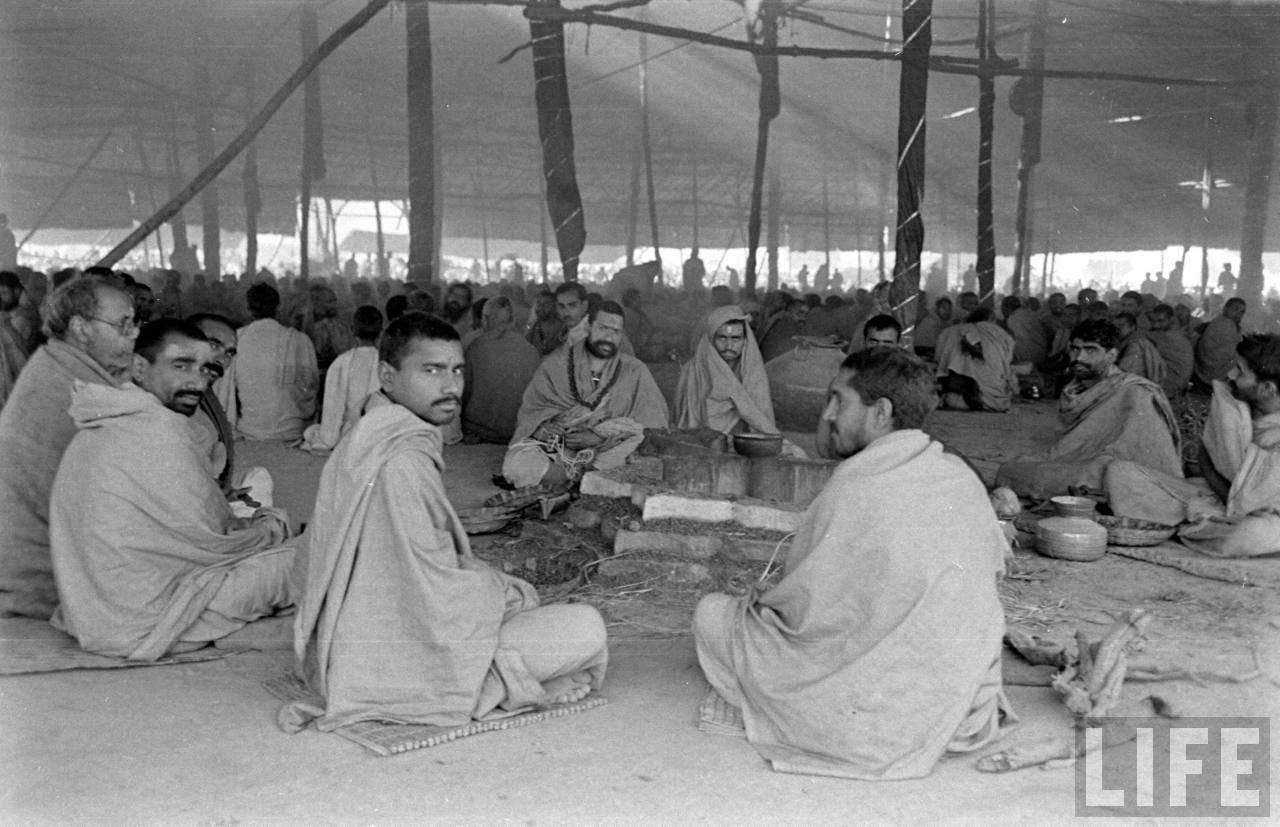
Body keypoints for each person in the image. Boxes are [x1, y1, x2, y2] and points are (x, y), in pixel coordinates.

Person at [693, 347, 1012, 780]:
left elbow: (804, 614)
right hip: (953, 691)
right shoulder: (960, 475)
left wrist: (758, 603)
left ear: (881, 412)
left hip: (876, 703)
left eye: (839, 400)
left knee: (712, 613)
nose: (827, 414)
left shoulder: (856, 483)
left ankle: (808, 716)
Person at [282, 313, 607, 733]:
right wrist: (502, 591)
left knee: (518, 604)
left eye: (456, 370)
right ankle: (496, 686)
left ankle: (502, 675)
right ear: (387, 375)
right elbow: (432, 595)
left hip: (350, 645)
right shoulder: (402, 459)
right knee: (585, 627)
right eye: (431, 370)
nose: (451, 385)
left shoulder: (369, 436)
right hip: (399, 657)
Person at [49, 320, 295, 660]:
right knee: (302, 556)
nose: (198, 381)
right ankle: (231, 630)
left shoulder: (103, 418)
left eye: (205, 369)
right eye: (181, 366)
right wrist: (269, 527)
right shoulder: (162, 431)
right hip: (150, 623)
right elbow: (215, 541)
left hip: (94, 616)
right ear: (139, 367)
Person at [0, 272, 137, 618]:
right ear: (81, 328)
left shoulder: (56, 366)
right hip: (46, 585)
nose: (134, 335)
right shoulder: (78, 392)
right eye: (123, 325)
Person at [1106, 334, 1280, 557]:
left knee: (1252, 534)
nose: (1230, 375)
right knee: (1119, 473)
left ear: (1267, 389)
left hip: (1260, 514)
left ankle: (1178, 525)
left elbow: (1244, 502)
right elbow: (1212, 459)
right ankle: (1193, 525)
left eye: (1240, 371)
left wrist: (1208, 467)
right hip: (1213, 496)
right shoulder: (1234, 405)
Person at [996, 319, 1181, 498]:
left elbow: (1135, 453)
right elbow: (1070, 447)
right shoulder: (1074, 389)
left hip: (1115, 471)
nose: (1079, 358)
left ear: (1112, 355)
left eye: (1091, 350)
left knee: (1034, 477)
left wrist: (1095, 463)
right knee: (1010, 470)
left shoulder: (1135, 391)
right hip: (1080, 463)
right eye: (1075, 349)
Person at [503, 301, 668, 487]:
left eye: (616, 331)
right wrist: (544, 428)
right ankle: (586, 480)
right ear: (588, 327)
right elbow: (532, 414)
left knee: (646, 450)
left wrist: (597, 436)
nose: (609, 336)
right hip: (560, 449)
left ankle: (579, 479)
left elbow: (653, 424)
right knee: (517, 464)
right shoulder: (555, 364)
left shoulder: (635, 369)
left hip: (609, 449)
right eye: (603, 328)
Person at [230, 283, 318, 441]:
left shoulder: (235, 339)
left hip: (251, 429)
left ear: (248, 309)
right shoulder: (299, 340)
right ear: (278, 308)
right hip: (293, 430)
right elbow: (311, 386)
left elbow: (227, 391)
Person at [674, 305, 778, 435]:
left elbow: (760, 415)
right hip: (700, 441)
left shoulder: (753, 371)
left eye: (736, 338)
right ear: (711, 339)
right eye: (722, 338)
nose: (729, 346)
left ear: (745, 340)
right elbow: (683, 419)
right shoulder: (692, 370)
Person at [300, 305, 383, 455]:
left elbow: (333, 408)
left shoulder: (342, 362)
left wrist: (327, 438)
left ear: (352, 330)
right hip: (379, 433)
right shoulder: (387, 363)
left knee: (310, 432)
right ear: (381, 332)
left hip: (350, 433)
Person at [462, 297, 541, 443]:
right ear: (513, 321)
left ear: (485, 319)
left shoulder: (475, 348)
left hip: (480, 430)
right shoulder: (531, 350)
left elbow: (463, 392)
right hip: (518, 429)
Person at [188, 312, 240, 491]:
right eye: (213, 345)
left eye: (229, 353)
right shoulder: (170, 396)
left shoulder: (202, 394)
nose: (222, 360)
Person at [934, 308, 1017, 412]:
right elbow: (1008, 359)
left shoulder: (951, 331)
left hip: (959, 396)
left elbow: (939, 361)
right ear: (990, 319)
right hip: (999, 401)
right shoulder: (998, 332)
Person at [1192, 297, 1246, 393]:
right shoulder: (1225, 325)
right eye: (1235, 309)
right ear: (1225, 308)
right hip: (1214, 373)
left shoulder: (1220, 323)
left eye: (1241, 312)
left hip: (1203, 371)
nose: (1238, 314)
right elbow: (1225, 354)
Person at [1146, 303, 1194, 398]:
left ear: (1171, 319)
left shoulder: (1167, 335)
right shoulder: (1177, 333)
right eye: (1154, 321)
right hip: (1179, 386)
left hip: (1171, 387)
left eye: (1161, 321)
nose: (1156, 325)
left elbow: (1137, 335)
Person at [1113, 311, 1167, 388]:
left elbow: (1124, 374)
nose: (1117, 329)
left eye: (1121, 325)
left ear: (1132, 327)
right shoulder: (1124, 343)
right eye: (1115, 326)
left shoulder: (1136, 344)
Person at [0, 271, 28, 408]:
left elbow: (24, 350)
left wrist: (6, 324)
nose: (0, 298)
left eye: (4, 293)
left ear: (17, 291)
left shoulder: (24, 316)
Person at [1001, 295, 1050, 367]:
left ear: (1005, 308)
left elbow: (1017, 340)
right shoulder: (1030, 314)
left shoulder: (1013, 318)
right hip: (1041, 356)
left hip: (1026, 359)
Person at [758, 297, 808, 363]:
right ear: (789, 311)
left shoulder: (778, 320)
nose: (804, 317)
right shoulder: (784, 324)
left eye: (806, 314)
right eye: (800, 313)